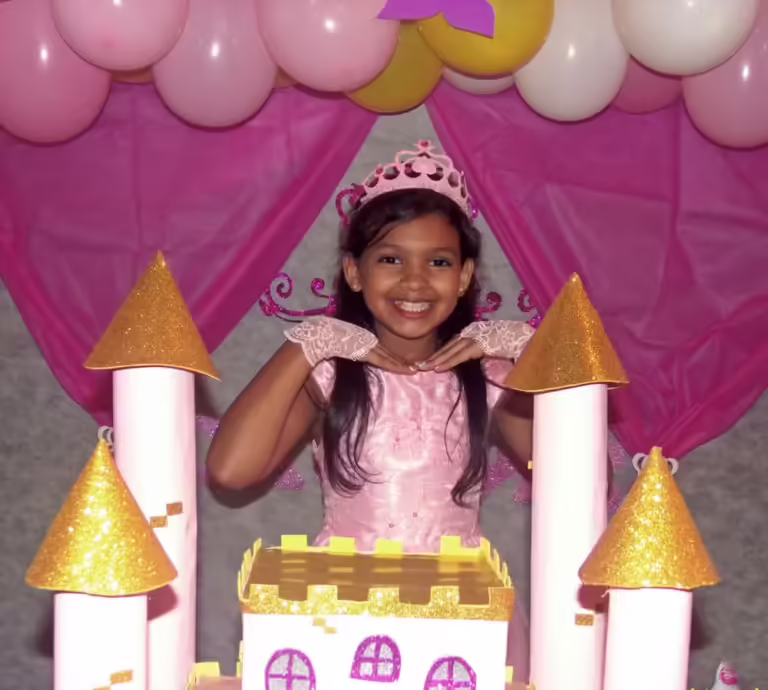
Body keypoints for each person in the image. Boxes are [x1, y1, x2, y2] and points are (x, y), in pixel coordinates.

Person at [207, 141, 535, 681]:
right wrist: (310, 343)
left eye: (438, 262)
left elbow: (580, 478)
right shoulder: (331, 378)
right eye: (390, 259)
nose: (414, 280)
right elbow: (230, 470)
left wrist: (534, 352)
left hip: (460, 618)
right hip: (341, 615)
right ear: (354, 272)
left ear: (463, 277)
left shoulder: (490, 378)